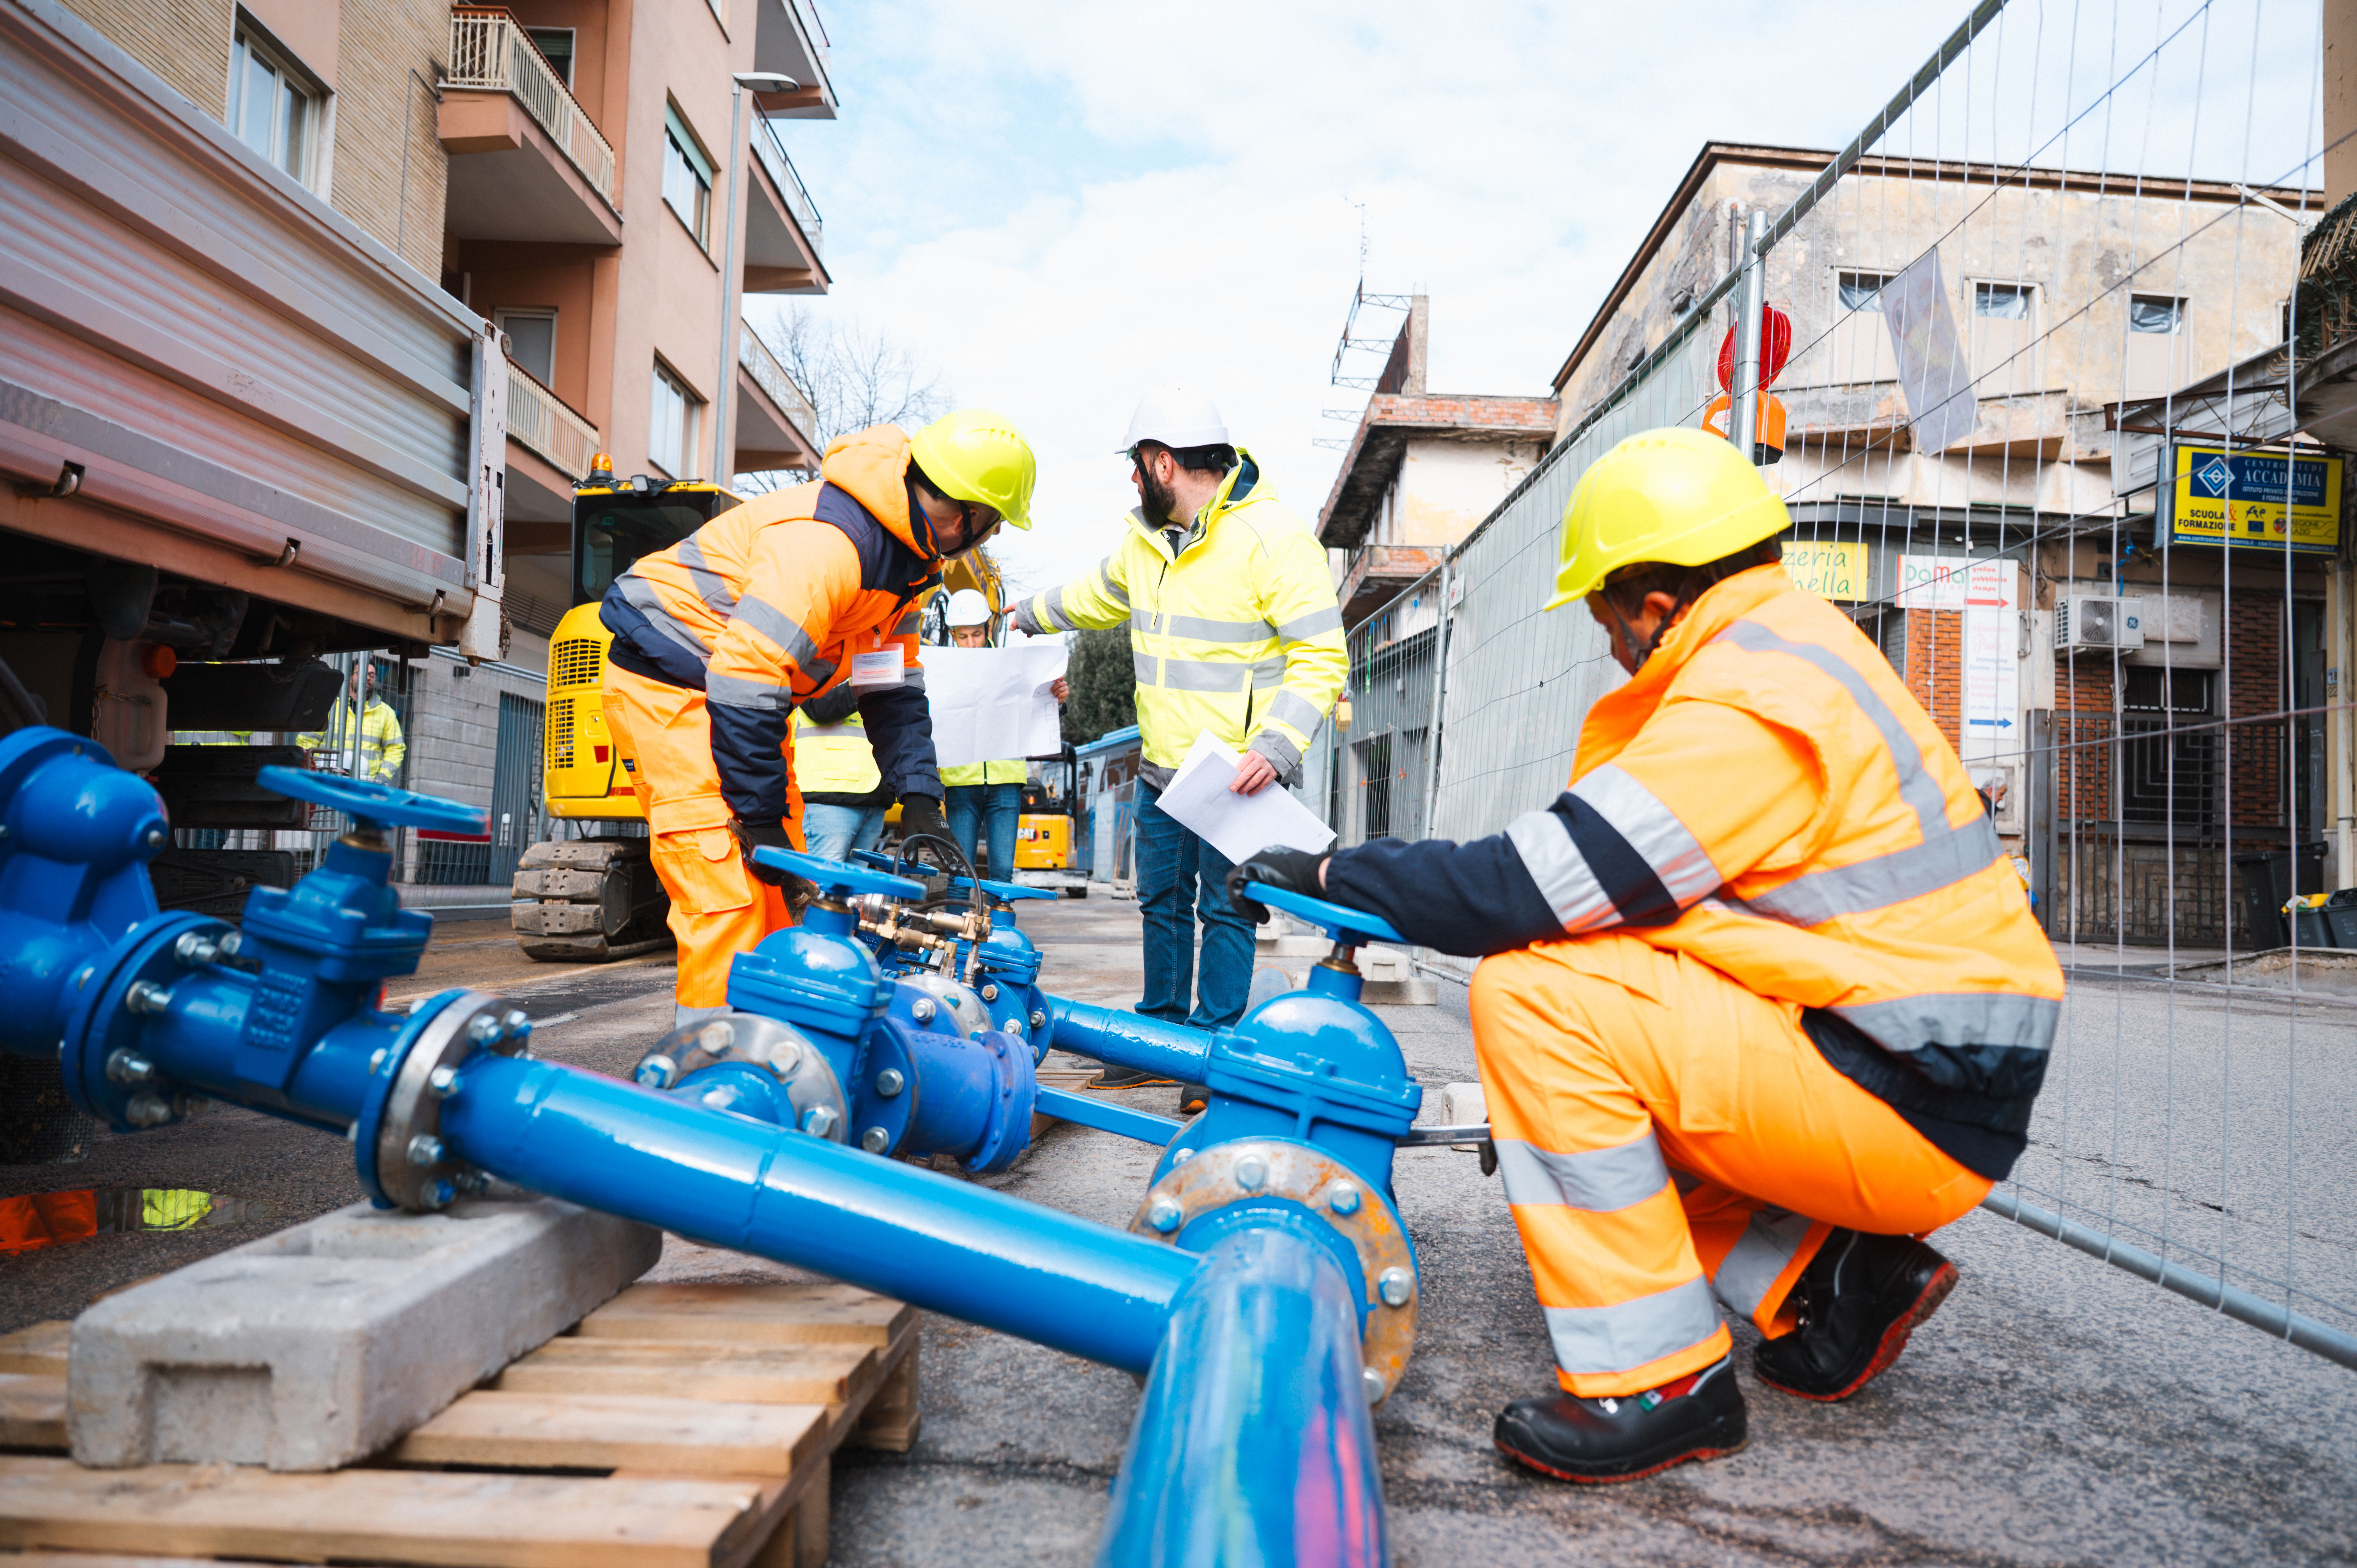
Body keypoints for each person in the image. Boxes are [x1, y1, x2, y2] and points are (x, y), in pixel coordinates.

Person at [1230, 427, 2062, 1483]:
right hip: (1907, 1069)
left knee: (1535, 1001)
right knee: (1591, 1053)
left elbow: (1533, 890)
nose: (1609, 646)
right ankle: (1827, 1279)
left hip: (1905, 1096)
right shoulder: (1785, 652)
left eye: (1604, 619)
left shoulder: (1752, 699)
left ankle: (1659, 1381)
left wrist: (1336, 870)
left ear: (1654, 604)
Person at [599, 410, 1035, 1026]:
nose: (982, 540)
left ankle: (774, 1048)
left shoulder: (908, 570)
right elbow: (745, 678)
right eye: (988, 527)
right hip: (671, 685)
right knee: (728, 890)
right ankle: (711, 1079)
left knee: (781, 890)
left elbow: (892, 693)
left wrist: (919, 799)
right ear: (973, 516)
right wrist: (758, 819)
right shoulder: (829, 543)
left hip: (738, 695)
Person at [1013, 390, 1345, 1093]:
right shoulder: (1142, 544)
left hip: (1237, 774)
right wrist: (1024, 617)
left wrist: (1276, 749)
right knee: (1158, 900)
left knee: (1226, 905)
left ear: (1161, 463)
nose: (1131, 482)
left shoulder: (1273, 539)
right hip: (1163, 770)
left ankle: (1213, 1053)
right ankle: (1157, 1036)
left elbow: (1320, 655)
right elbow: (1088, 596)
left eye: (1136, 468)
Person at [938, 588, 1068, 879]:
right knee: (959, 876)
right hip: (960, 783)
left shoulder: (1015, 668)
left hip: (1006, 783)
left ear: (989, 628)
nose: (971, 644)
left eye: (976, 634)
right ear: (952, 635)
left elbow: (1035, 715)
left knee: (1002, 876)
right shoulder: (942, 673)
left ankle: (998, 928)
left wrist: (1057, 700)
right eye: (962, 636)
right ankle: (957, 927)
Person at [794, 685, 892, 863]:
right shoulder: (818, 664)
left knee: (855, 889)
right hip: (828, 795)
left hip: (875, 794)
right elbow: (820, 707)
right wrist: (870, 676)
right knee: (822, 886)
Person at [299, 663, 405, 782]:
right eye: (362, 673)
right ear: (350, 677)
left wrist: (382, 777)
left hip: (365, 782)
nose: (368, 678)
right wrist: (314, 769)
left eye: (372, 675)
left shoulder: (386, 713)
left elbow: (396, 749)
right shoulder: (330, 706)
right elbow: (307, 739)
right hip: (327, 778)